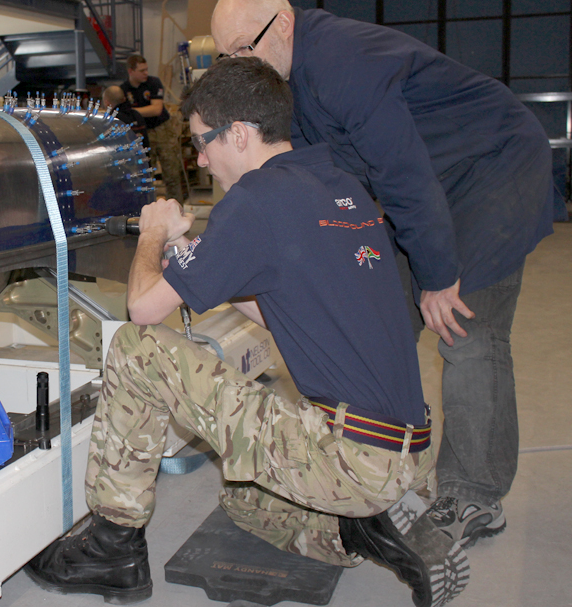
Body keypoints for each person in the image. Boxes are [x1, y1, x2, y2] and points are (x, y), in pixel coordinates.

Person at [26, 57, 469, 607]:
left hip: (348, 451)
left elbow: (141, 309)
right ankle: (366, 529)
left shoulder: (253, 199)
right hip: (406, 447)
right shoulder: (337, 186)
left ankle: (114, 545)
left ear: (238, 133)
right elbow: (279, 301)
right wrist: (193, 259)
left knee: (136, 349)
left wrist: (154, 233)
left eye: (203, 142)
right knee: (242, 501)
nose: (202, 158)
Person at [210, 0, 556, 549]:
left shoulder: (344, 63)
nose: (238, 64)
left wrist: (439, 277)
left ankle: (473, 495)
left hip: (492, 166)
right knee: (380, 310)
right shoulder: (283, 88)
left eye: (245, 47)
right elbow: (298, 181)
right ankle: (371, 463)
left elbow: (403, 175)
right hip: (433, 184)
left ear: (285, 24)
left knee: (463, 326)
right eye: (227, 55)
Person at [121, 55, 188, 203]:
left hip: (163, 131)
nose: (145, 73)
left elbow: (156, 109)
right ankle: (147, 210)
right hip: (142, 135)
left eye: (146, 69)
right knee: (145, 175)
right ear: (131, 71)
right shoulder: (124, 89)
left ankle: (177, 212)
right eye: (141, 70)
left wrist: (133, 112)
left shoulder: (153, 83)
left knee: (172, 175)